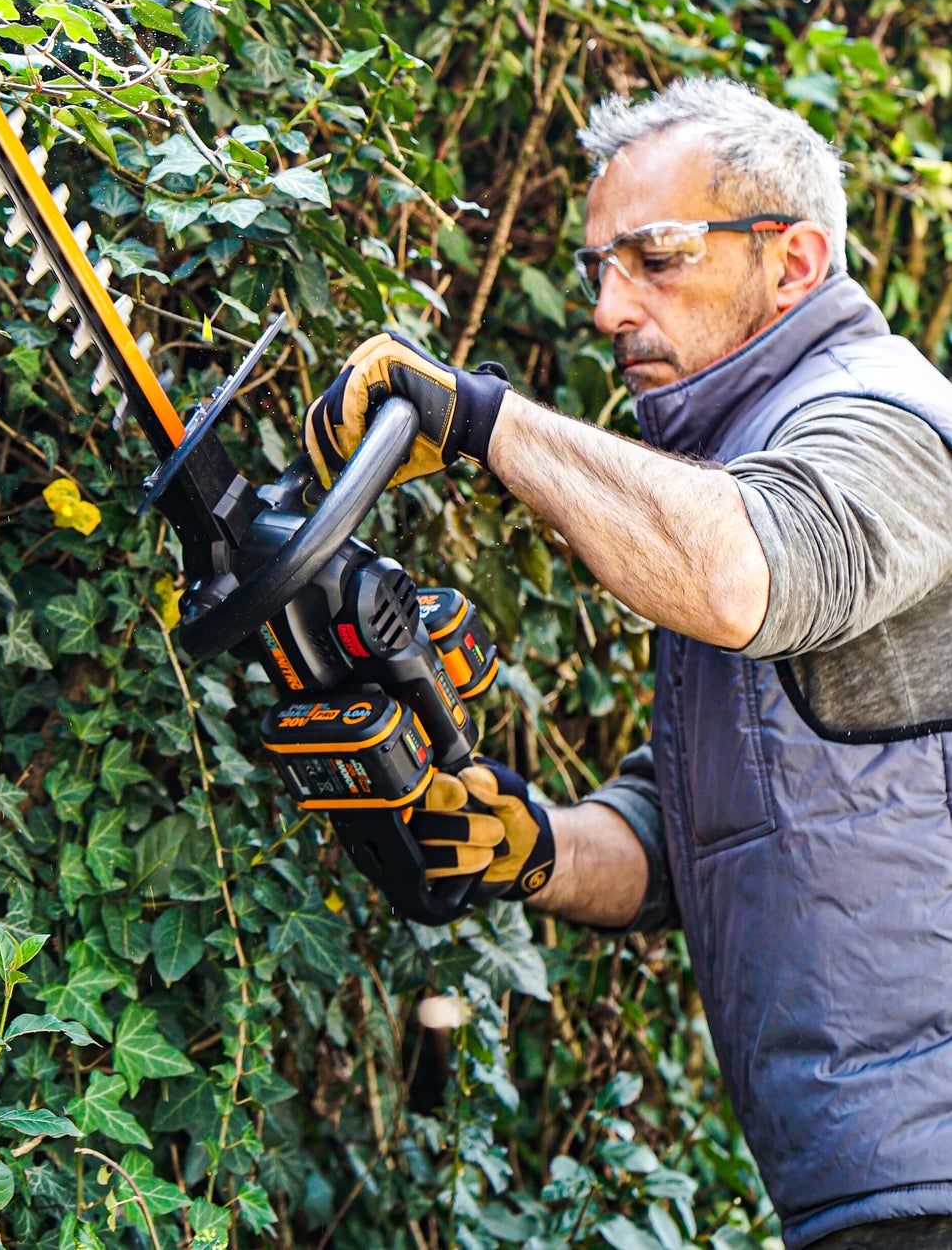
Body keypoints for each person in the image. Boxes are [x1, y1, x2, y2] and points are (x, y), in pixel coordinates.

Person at [301, 76, 952, 1250]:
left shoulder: (884, 422)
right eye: (599, 265)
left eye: (652, 258)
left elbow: (743, 572)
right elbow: (690, 829)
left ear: (792, 261)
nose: (607, 308)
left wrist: (476, 420)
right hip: (868, 1170)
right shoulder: (736, 457)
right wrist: (525, 843)